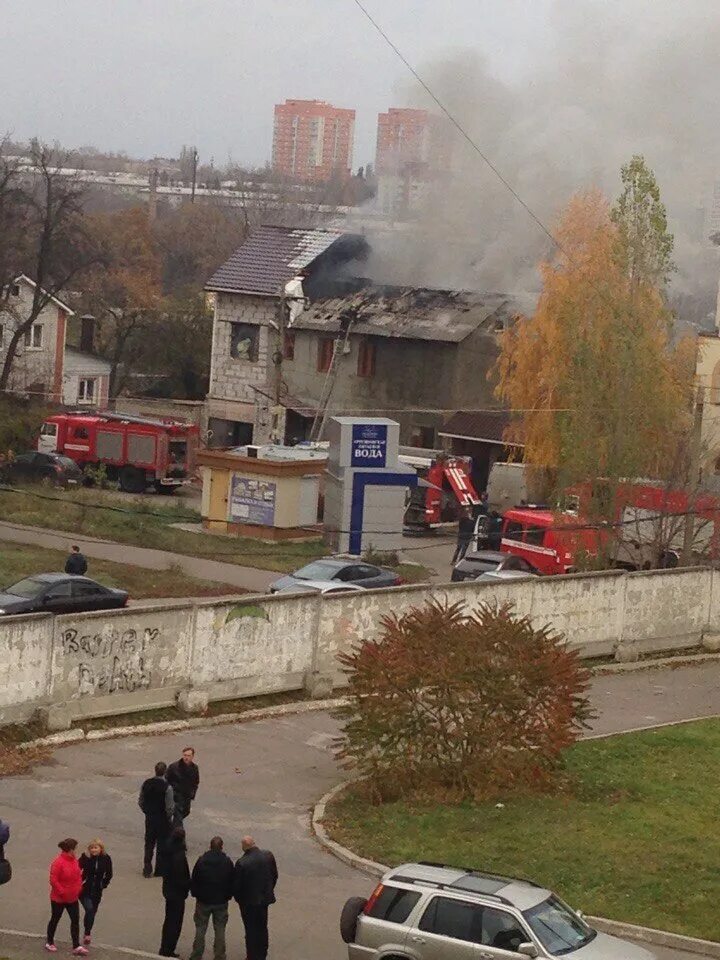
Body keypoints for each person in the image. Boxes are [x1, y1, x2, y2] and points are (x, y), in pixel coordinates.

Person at [189, 837, 234, 960]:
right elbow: (232, 881)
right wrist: (228, 895)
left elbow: (195, 879)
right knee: (220, 928)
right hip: (221, 901)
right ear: (221, 847)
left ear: (210, 846)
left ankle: (196, 955)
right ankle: (219, 955)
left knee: (200, 928)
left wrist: (195, 894)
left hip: (203, 900)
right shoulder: (227, 862)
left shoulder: (202, 861)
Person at [233, 836, 278, 960]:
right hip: (264, 900)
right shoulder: (268, 856)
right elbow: (274, 875)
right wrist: (269, 889)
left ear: (244, 847)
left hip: (248, 903)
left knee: (250, 929)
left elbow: (237, 886)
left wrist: (239, 899)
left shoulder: (242, 862)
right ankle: (262, 953)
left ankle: (252, 955)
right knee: (262, 927)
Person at [45, 838, 87, 955]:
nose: (76, 851)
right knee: (55, 919)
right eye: (75, 849)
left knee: (75, 920)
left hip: (72, 897)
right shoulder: (58, 862)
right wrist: (62, 892)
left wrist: (79, 888)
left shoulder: (74, 861)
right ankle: (49, 941)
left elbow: (78, 875)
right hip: (59, 898)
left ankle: (76, 945)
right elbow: (53, 880)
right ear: (71, 849)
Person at [139, 760, 175, 877]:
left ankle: (147, 868)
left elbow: (141, 801)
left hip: (150, 818)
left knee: (149, 843)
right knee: (162, 844)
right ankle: (159, 869)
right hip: (162, 819)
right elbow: (169, 806)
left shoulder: (147, 783)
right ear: (165, 772)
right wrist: (168, 817)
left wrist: (147, 811)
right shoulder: (167, 787)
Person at [159, 826, 191, 958]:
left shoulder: (168, 850)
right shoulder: (179, 855)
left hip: (168, 890)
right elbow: (181, 876)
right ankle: (168, 948)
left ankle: (165, 946)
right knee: (175, 922)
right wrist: (188, 885)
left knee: (169, 920)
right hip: (177, 893)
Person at [78, 839, 112, 945]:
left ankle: (87, 932)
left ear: (101, 848)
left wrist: (104, 884)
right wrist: (78, 881)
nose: (93, 850)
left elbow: (109, 873)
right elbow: (76, 868)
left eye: (96, 847)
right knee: (89, 909)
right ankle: (87, 933)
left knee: (92, 912)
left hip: (97, 890)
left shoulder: (106, 858)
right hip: (84, 889)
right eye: (92, 848)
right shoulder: (86, 857)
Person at [167, 747, 200, 822]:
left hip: (187, 796)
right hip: (176, 796)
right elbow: (167, 779)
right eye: (185, 755)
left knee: (186, 812)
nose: (186, 757)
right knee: (178, 816)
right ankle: (176, 830)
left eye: (188, 756)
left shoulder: (194, 768)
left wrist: (192, 793)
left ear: (192, 756)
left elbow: (196, 781)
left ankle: (173, 827)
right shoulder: (174, 767)